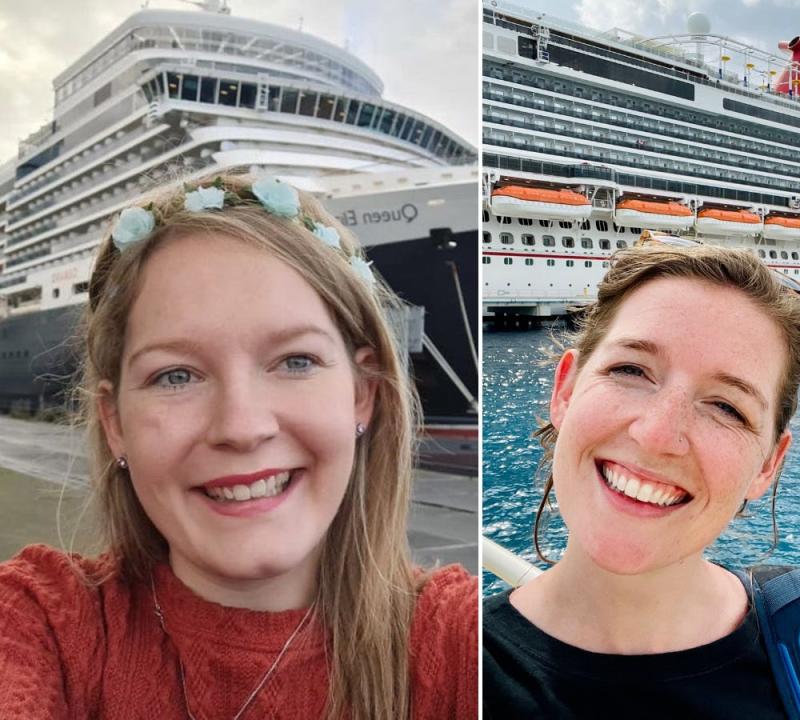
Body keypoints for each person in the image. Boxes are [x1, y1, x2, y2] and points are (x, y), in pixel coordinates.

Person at [0, 173, 477, 719]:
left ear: (362, 395)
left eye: (295, 361)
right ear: (115, 423)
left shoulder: (459, 642)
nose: (242, 426)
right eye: (176, 375)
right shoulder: (42, 624)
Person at [483, 240, 800, 719]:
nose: (657, 435)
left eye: (726, 406)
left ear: (769, 463)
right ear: (565, 390)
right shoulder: (442, 675)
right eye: (630, 369)